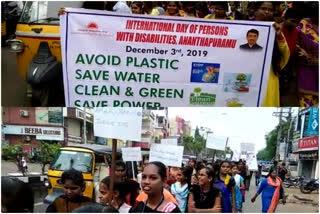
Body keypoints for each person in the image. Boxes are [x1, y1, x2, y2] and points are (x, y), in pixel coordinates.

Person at [252, 1, 290, 107]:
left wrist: (279, 36)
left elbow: (285, 55)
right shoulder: (244, 28)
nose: (267, 12)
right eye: (263, 9)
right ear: (256, 10)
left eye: (270, 10)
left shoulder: (275, 29)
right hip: (248, 75)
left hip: (269, 76)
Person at [294, 2, 319, 107]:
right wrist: (301, 52)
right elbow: (295, 42)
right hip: (308, 71)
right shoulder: (304, 23)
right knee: (308, 108)